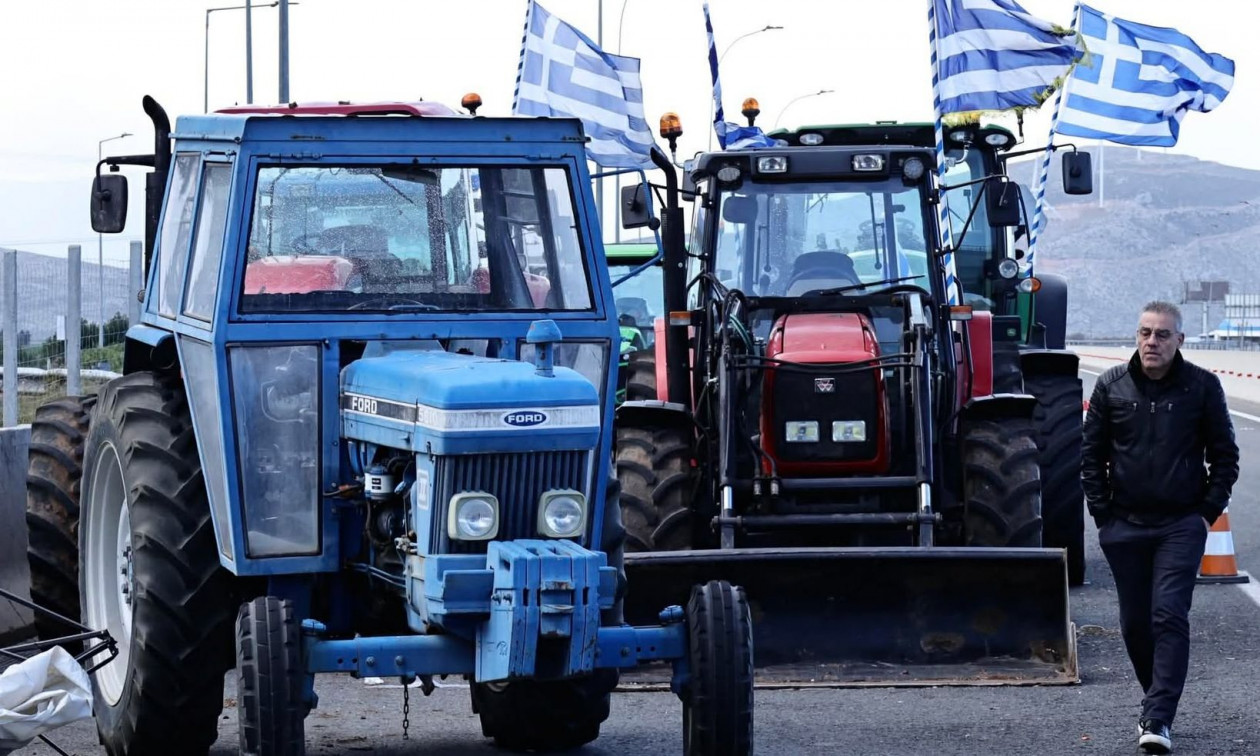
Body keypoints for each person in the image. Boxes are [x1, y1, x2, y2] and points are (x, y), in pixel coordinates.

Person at [1082, 300, 1239, 755]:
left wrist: (1204, 513)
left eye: (1163, 334)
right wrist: (1103, 516)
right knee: (1135, 625)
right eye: (1145, 332)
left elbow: (1224, 456)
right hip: (1124, 526)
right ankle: (1159, 696)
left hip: (1179, 525)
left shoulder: (1201, 388)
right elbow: (1091, 456)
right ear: (1136, 336)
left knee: (1168, 614)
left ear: (1180, 341)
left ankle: (1158, 717)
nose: (1152, 342)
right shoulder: (1111, 386)